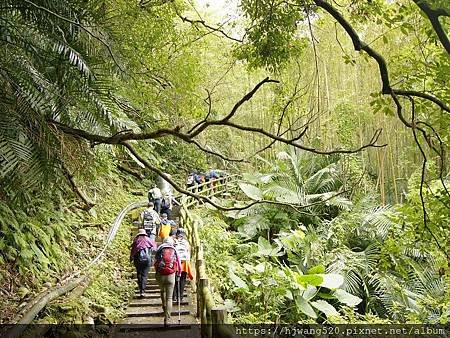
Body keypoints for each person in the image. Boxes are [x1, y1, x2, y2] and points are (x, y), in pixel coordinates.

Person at [154, 237, 181, 327]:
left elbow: (155, 261)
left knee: (162, 291)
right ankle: (167, 319)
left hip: (160, 274)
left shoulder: (160, 248)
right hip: (171, 275)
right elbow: (179, 263)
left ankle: (164, 307)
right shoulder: (174, 249)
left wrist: (157, 271)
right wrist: (179, 273)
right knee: (169, 298)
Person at [130, 228, 156, 297]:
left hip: (138, 260)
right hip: (147, 260)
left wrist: (131, 258)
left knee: (139, 274)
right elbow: (154, 248)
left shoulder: (136, 241)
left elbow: (132, 251)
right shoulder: (148, 239)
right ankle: (143, 291)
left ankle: (140, 289)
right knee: (144, 275)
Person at [173, 228, 193, 303]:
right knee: (183, 279)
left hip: (176, 263)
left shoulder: (174, 241)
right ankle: (180, 297)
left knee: (175, 280)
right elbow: (188, 253)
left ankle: (174, 296)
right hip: (185, 263)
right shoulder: (186, 243)